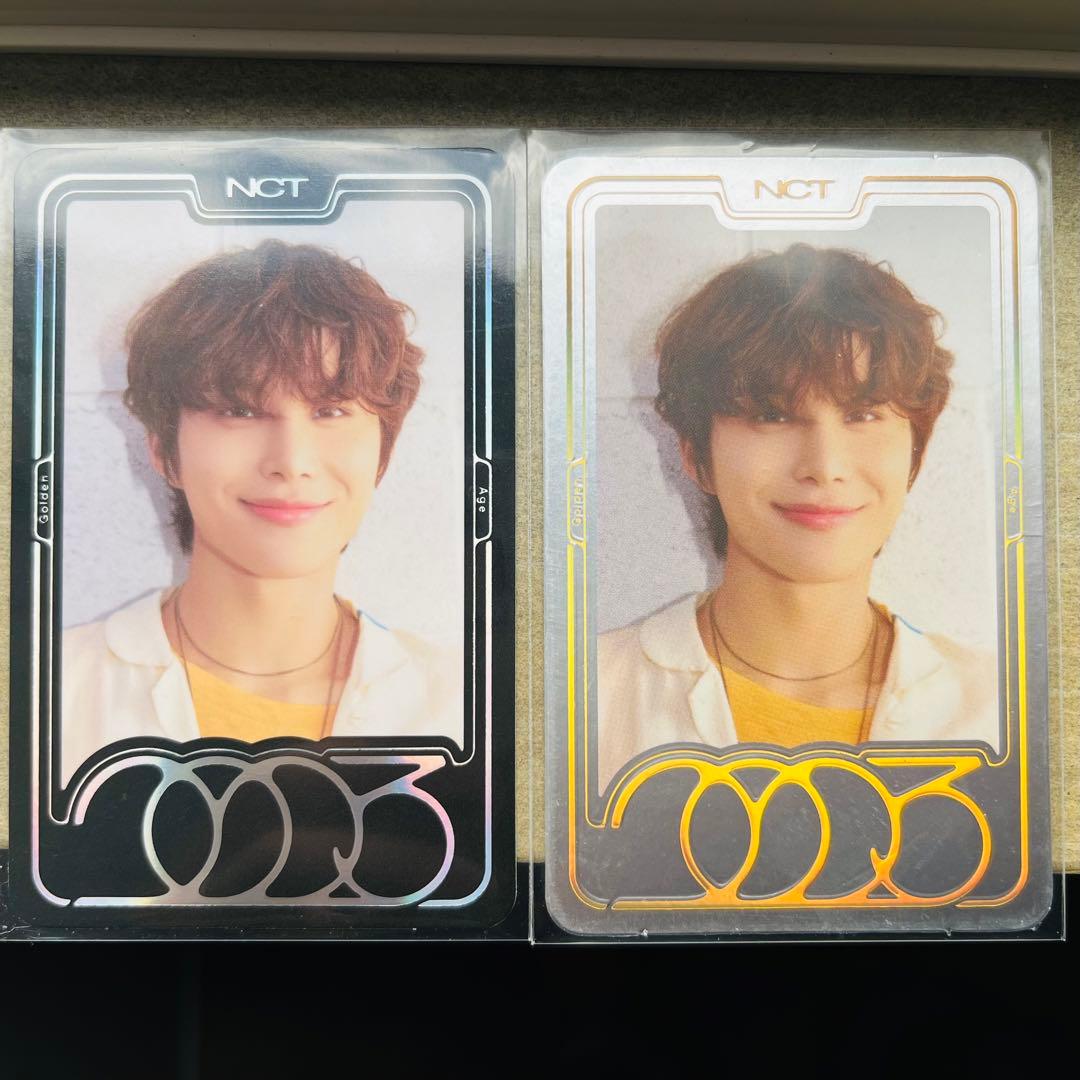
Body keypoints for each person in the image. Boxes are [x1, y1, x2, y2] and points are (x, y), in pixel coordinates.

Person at [597, 244, 998, 789]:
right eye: (773, 414)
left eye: (863, 414)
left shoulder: (1002, 713)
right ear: (696, 454)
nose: (825, 466)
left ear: (915, 454)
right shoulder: (585, 700)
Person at [62, 239, 461, 786]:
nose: (291, 462)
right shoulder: (49, 697)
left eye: (330, 410)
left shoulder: (465, 708)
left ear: (382, 452)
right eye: (241, 410)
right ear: (164, 449)